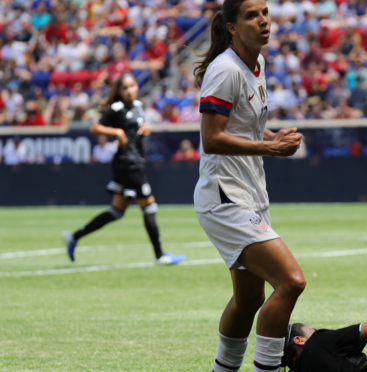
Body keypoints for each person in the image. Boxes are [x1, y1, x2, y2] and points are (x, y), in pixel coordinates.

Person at [192, 1, 305, 372]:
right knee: (291, 282)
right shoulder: (225, 70)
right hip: (225, 197)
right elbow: (212, 139)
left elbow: (244, 128)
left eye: (266, 12)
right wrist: (270, 148)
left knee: (249, 298)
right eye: (252, 15)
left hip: (249, 194)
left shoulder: (257, 64)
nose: (263, 20)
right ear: (232, 28)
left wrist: (273, 137)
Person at [61, 74, 185, 265]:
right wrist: (116, 132)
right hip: (128, 163)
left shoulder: (138, 106)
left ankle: (74, 237)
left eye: (132, 86)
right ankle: (160, 256)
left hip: (132, 160)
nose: (130, 90)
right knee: (149, 205)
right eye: (125, 87)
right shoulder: (116, 109)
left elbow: (137, 132)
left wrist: (147, 130)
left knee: (116, 211)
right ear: (119, 91)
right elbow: (95, 128)